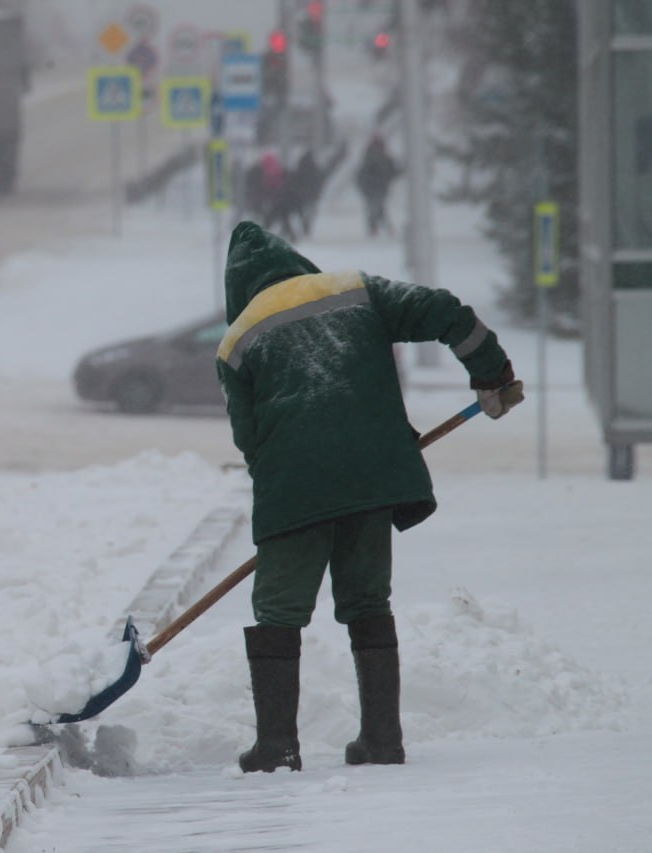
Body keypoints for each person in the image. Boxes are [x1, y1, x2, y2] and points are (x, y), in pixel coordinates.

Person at [214, 222, 524, 773]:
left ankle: (277, 748)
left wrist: (290, 497)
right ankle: (383, 740)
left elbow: (250, 439)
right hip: (374, 475)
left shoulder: (237, 340)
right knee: (367, 602)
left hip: (295, 485)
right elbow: (445, 310)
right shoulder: (353, 290)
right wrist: (492, 373)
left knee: (280, 611)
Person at [355, 132, 399, 237]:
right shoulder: (383, 158)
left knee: (375, 209)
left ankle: (375, 228)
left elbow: (362, 173)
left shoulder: (369, 156)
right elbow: (392, 172)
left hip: (371, 188)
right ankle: (380, 228)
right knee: (378, 209)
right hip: (378, 188)